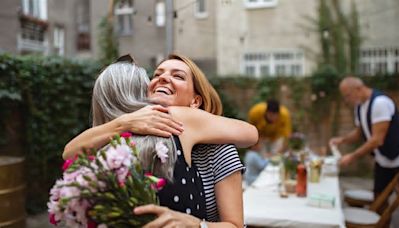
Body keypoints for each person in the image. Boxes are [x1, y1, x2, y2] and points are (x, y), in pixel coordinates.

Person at [64, 53, 257, 227]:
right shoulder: (135, 132)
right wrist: (125, 122)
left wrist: (197, 226)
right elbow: (70, 153)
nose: (162, 78)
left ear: (195, 102)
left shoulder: (211, 141)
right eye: (156, 75)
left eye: (178, 76)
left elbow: (251, 134)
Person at [330, 76, 399, 198]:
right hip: (382, 160)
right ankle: (380, 217)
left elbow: (377, 140)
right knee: (379, 197)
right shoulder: (360, 106)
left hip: (397, 158)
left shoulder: (380, 103)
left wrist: (352, 156)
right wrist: (342, 140)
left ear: (359, 88)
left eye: (348, 95)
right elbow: (359, 132)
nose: (346, 100)